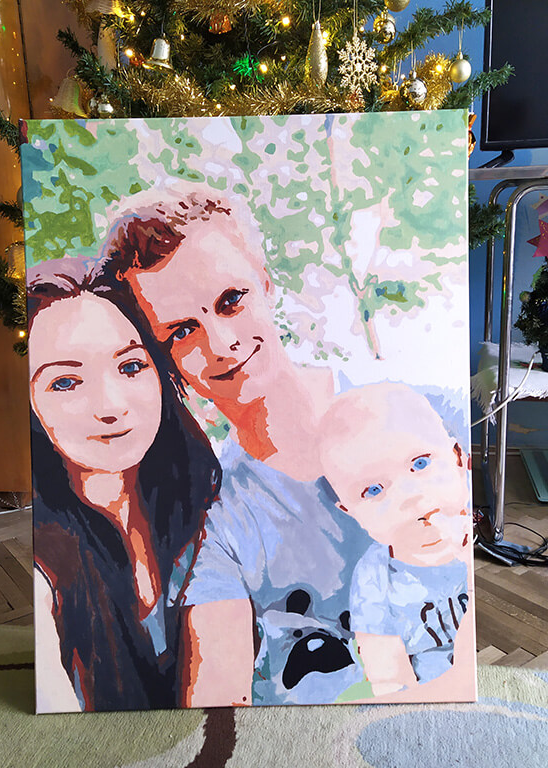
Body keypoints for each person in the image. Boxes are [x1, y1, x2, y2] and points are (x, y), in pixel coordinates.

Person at [98, 192, 471, 706]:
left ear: (266, 281)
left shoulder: (431, 415)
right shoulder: (214, 518)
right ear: (162, 357)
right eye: (182, 331)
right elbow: (218, 691)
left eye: (231, 300)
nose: (221, 344)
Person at [28, 256, 220, 712]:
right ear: (31, 405)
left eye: (131, 367)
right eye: (66, 382)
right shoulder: (42, 569)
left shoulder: (207, 502)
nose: (110, 406)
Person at [319, 383, 473, 697]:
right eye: (373, 490)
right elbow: (387, 677)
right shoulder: (374, 578)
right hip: (421, 698)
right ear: (351, 513)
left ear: (458, 460)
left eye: (420, 463)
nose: (409, 496)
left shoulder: (474, 545)